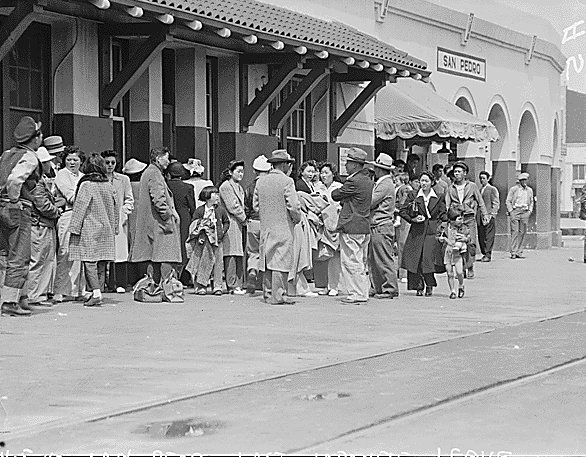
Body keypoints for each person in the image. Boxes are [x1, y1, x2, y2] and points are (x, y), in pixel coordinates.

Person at [0, 116, 43, 316]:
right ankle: (10, 302)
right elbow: (15, 180)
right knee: (20, 255)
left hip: (2, 206)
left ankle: (22, 298)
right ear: (35, 138)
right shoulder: (30, 156)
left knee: (7, 254)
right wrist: (15, 200)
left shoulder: (7, 154)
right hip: (18, 207)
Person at [68, 153, 118, 307]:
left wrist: (74, 227)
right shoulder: (108, 184)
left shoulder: (86, 185)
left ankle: (95, 293)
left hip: (90, 227)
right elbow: (116, 207)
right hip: (107, 227)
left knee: (89, 262)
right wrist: (115, 226)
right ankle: (98, 292)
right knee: (102, 262)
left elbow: (80, 207)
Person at [253, 149, 302, 305]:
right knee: (281, 261)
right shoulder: (287, 182)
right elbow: (294, 206)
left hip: (266, 226)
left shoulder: (261, 181)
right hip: (283, 227)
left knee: (267, 260)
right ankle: (278, 295)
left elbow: (255, 206)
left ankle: (267, 294)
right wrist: (296, 219)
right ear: (284, 164)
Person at [129, 147, 182, 284]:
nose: (168, 161)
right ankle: (165, 287)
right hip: (160, 224)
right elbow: (159, 199)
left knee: (153, 256)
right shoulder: (154, 173)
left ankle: (155, 287)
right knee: (165, 255)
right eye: (166, 157)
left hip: (155, 223)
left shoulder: (151, 172)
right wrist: (168, 216)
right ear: (158, 158)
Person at [331, 148, 373, 305]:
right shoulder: (368, 180)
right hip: (363, 224)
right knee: (361, 260)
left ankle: (356, 292)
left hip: (351, 225)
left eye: (348, 162)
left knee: (351, 260)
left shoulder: (353, 181)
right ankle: (362, 290)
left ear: (355, 165)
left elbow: (335, 194)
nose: (346, 165)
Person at [399, 171, 447, 296]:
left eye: (426, 181)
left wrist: (447, 222)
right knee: (416, 259)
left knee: (428, 259)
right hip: (417, 231)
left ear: (432, 182)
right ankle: (418, 286)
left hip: (431, 232)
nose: (423, 183)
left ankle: (430, 284)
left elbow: (443, 213)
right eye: (421, 181)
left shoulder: (439, 196)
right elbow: (403, 211)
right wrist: (412, 219)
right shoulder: (413, 195)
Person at [27, 147, 61, 307]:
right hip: (41, 225)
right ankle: (35, 295)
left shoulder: (39, 180)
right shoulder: (38, 183)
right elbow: (42, 204)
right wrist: (56, 211)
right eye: (47, 162)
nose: (50, 164)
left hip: (43, 224)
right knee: (40, 260)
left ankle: (38, 294)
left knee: (44, 260)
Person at [444, 161, 489, 279]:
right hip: (456, 219)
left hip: (469, 218)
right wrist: (449, 219)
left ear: (465, 173)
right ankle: (461, 268)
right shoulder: (450, 188)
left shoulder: (472, 186)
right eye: (455, 172)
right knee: (457, 243)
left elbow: (480, 201)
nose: (457, 174)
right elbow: (447, 205)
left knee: (470, 242)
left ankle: (469, 266)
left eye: (459, 172)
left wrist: (485, 214)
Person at [53, 146, 86, 302]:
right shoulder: (62, 175)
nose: (72, 162)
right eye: (69, 159)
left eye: (75, 160)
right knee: (65, 251)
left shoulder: (83, 176)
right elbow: (70, 195)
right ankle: (60, 290)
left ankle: (77, 290)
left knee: (80, 253)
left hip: (83, 215)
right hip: (68, 214)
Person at [186, 186, 230, 295]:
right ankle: (201, 286)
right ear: (206, 196)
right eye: (214, 194)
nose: (217, 196)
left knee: (218, 263)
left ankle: (217, 286)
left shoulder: (220, 210)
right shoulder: (200, 210)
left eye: (217, 194)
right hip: (203, 241)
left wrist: (222, 232)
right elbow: (194, 224)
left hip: (217, 240)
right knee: (202, 262)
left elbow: (226, 222)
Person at [102, 150, 134, 293]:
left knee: (120, 252)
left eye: (113, 163)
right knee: (103, 251)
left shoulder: (123, 179)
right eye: (107, 162)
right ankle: (105, 283)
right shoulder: (99, 179)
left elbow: (129, 199)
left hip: (119, 218)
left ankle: (120, 283)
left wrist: (124, 213)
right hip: (102, 217)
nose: (110, 165)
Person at [368, 153, 399, 299]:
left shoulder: (385, 184)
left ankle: (390, 288)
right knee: (375, 259)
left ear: (379, 168)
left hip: (381, 224)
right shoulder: (384, 182)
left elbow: (371, 201)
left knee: (383, 258)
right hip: (378, 224)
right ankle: (378, 286)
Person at [315, 162, 343, 296]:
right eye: (321, 172)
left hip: (335, 225)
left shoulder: (339, 187)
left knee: (334, 256)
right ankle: (323, 285)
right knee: (322, 255)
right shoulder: (317, 188)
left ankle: (334, 285)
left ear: (333, 173)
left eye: (326, 172)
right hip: (321, 224)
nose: (323, 175)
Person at [244, 155, 271, 294]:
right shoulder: (269, 185)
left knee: (253, 252)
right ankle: (265, 284)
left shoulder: (249, 187)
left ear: (255, 171)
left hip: (252, 222)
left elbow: (246, 206)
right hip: (267, 222)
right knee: (267, 253)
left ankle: (252, 271)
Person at [219, 160, 247, 295]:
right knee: (230, 253)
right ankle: (232, 284)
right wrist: (244, 218)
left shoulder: (239, 187)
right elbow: (232, 206)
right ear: (230, 172)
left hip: (237, 223)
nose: (241, 174)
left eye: (242, 171)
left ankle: (238, 283)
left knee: (237, 253)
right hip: (230, 222)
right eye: (238, 171)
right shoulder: (226, 186)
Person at [166, 161, 196, 284]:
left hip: (169, 216)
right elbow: (192, 207)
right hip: (184, 217)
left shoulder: (165, 185)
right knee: (184, 246)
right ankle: (184, 276)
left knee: (170, 245)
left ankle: (170, 275)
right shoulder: (188, 187)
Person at [122, 158, 148, 286]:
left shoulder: (125, 184)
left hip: (127, 218)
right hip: (142, 218)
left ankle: (129, 277)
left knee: (128, 245)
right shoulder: (143, 186)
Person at [437, 207, 470, 299]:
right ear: (451, 220)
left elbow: (469, 237)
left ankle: (461, 285)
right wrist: (440, 239)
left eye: (462, 218)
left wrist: (465, 239)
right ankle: (452, 291)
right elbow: (437, 235)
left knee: (459, 272)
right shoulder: (444, 227)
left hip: (457, 253)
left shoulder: (463, 227)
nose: (461, 221)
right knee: (449, 273)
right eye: (459, 219)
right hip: (447, 252)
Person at [506, 172, 534, 259]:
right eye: (523, 180)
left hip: (525, 211)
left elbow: (531, 201)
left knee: (523, 232)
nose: (524, 182)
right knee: (514, 231)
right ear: (520, 181)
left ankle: (519, 251)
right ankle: (513, 252)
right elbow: (508, 200)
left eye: (526, 180)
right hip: (516, 210)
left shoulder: (529, 190)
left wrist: (529, 211)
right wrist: (511, 211)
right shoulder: (514, 189)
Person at [477, 171, 500, 262]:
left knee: (488, 236)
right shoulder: (480, 190)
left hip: (489, 215)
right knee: (481, 235)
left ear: (488, 178)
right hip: (480, 216)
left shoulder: (492, 189)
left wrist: (492, 214)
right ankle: (484, 253)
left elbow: (495, 202)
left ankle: (488, 254)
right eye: (480, 178)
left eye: (483, 178)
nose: (482, 180)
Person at [394, 172, 412, 283]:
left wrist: (398, 208)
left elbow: (403, 201)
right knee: (399, 245)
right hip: (399, 216)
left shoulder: (405, 189)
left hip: (403, 218)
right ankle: (400, 271)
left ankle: (403, 272)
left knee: (402, 245)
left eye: (397, 179)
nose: (395, 180)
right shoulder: (399, 188)